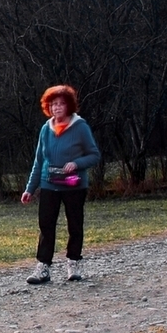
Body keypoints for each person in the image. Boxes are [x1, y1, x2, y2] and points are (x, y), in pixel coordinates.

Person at [20, 84, 101, 284]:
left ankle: (73, 263)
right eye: (53, 104)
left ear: (69, 106)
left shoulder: (80, 127)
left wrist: (76, 164)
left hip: (74, 185)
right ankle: (43, 268)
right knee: (46, 225)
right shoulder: (45, 129)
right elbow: (39, 161)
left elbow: (94, 155)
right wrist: (30, 189)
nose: (57, 108)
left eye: (61, 104)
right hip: (49, 184)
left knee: (75, 224)